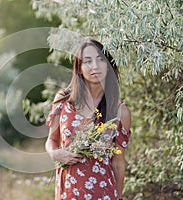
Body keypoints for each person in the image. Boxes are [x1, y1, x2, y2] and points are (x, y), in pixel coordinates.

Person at [45, 39, 131, 200]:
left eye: (100, 60)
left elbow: (118, 163)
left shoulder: (120, 111)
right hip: (67, 191)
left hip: (103, 192)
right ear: (79, 68)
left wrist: (117, 197)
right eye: (88, 61)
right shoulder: (63, 100)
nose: (95, 66)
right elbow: (51, 139)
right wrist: (55, 153)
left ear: (108, 65)